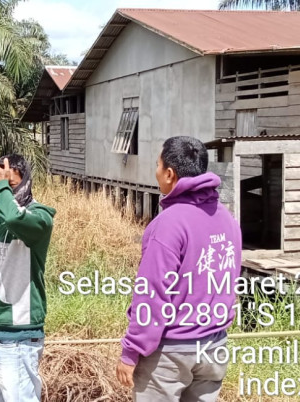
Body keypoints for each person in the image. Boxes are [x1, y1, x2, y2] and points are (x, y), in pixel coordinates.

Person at [116, 137, 242, 402]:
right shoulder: (227, 219)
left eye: (158, 165)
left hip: (171, 354)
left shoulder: (169, 224)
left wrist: (131, 351)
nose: (156, 171)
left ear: (170, 174)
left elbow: (152, 294)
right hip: (214, 345)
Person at [0, 154, 57, 402]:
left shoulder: (39, 218)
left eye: (9, 185)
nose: (3, 191)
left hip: (18, 337)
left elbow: (15, 217)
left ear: (25, 180)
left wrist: (0, 188)